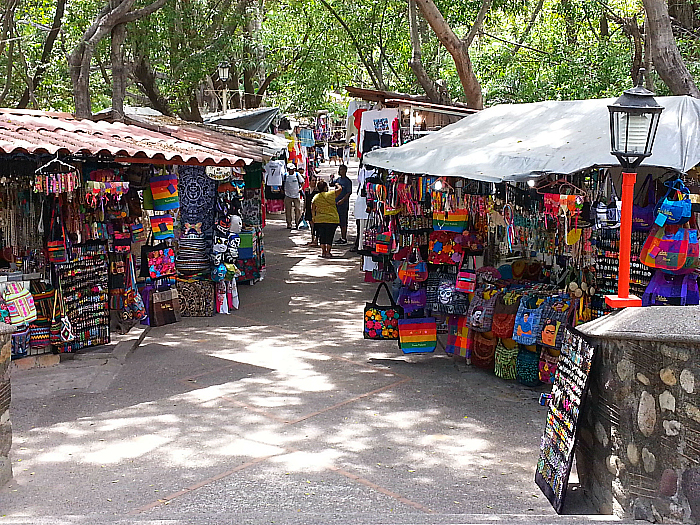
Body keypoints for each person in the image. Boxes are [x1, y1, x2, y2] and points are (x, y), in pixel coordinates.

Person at [312, 180, 342, 258]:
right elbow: (340, 189)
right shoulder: (331, 194)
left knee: (322, 236)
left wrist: (313, 218)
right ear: (325, 187)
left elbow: (313, 208)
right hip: (332, 219)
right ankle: (328, 252)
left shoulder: (316, 197)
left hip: (320, 219)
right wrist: (337, 185)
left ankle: (323, 252)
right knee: (330, 235)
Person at [334, 164, 352, 245]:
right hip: (336, 203)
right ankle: (340, 237)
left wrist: (342, 200)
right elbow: (331, 184)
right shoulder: (338, 180)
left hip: (343, 204)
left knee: (343, 221)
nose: (340, 171)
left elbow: (348, 193)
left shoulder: (347, 181)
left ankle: (344, 238)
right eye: (339, 169)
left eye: (341, 169)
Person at [283, 162, 304, 229]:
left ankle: (297, 223)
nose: (291, 171)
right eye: (290, 169)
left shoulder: (297, 175)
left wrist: (301, 188)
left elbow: (302, 182)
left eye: (292, 169)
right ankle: (289, 223)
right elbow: (282, 183)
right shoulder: (285, 175)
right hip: (287, 195)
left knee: (297, 209)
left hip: (296, 195)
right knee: (288, 210)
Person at [303, 173, 319, 245]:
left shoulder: (318, 191)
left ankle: (316, 240)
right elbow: (305, 200)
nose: (314, 182)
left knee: (316, 225)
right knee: (311, 225)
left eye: (315, 180)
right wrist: (303, 209)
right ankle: (312, 239)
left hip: (316, 210)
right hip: (308, 209)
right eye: (312, 180)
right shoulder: (307, 190)